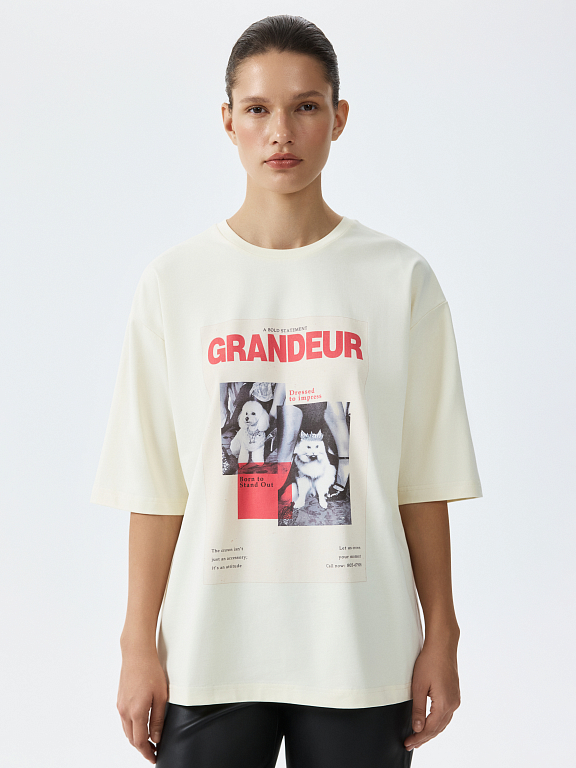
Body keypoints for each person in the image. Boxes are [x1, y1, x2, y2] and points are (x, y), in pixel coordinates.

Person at [90, 14, 482, 767]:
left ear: (339, 117)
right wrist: (137, 645)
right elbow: (156, 486)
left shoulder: (399, 278)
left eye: (305, 106)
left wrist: (443, 632)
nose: (281, 132)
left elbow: (421, 480)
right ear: (228, 121)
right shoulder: (175, 283)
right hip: (210, 650)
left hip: (360, 649)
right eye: (258, 109)